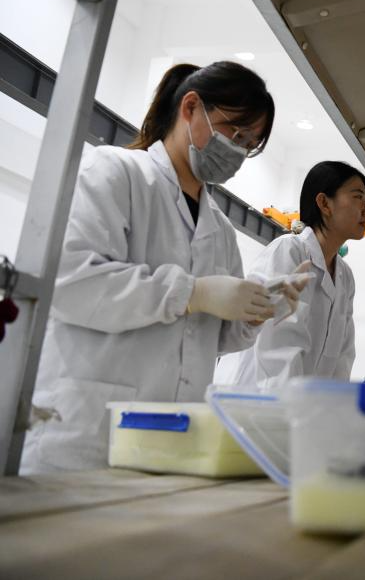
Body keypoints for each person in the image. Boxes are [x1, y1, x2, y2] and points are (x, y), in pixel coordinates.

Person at [21, 61, 296, 473]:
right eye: (235, 133)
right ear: (191, 107)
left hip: (170, 441)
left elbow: (208, 337)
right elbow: (72, 283)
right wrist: (193, 293)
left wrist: (255, 311)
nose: (238, 152)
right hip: (86, 432)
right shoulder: (116, 171)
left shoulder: (220, 230)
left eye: (250, 144)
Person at [215, 161, 365, 388]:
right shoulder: (289, 251)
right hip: (257, 397)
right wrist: (291, 405)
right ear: (324, 203)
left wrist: (334, 402)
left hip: (303, 402)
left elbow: (343, 356)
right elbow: (277, 347)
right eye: (358, 197)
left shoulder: (345, 277)